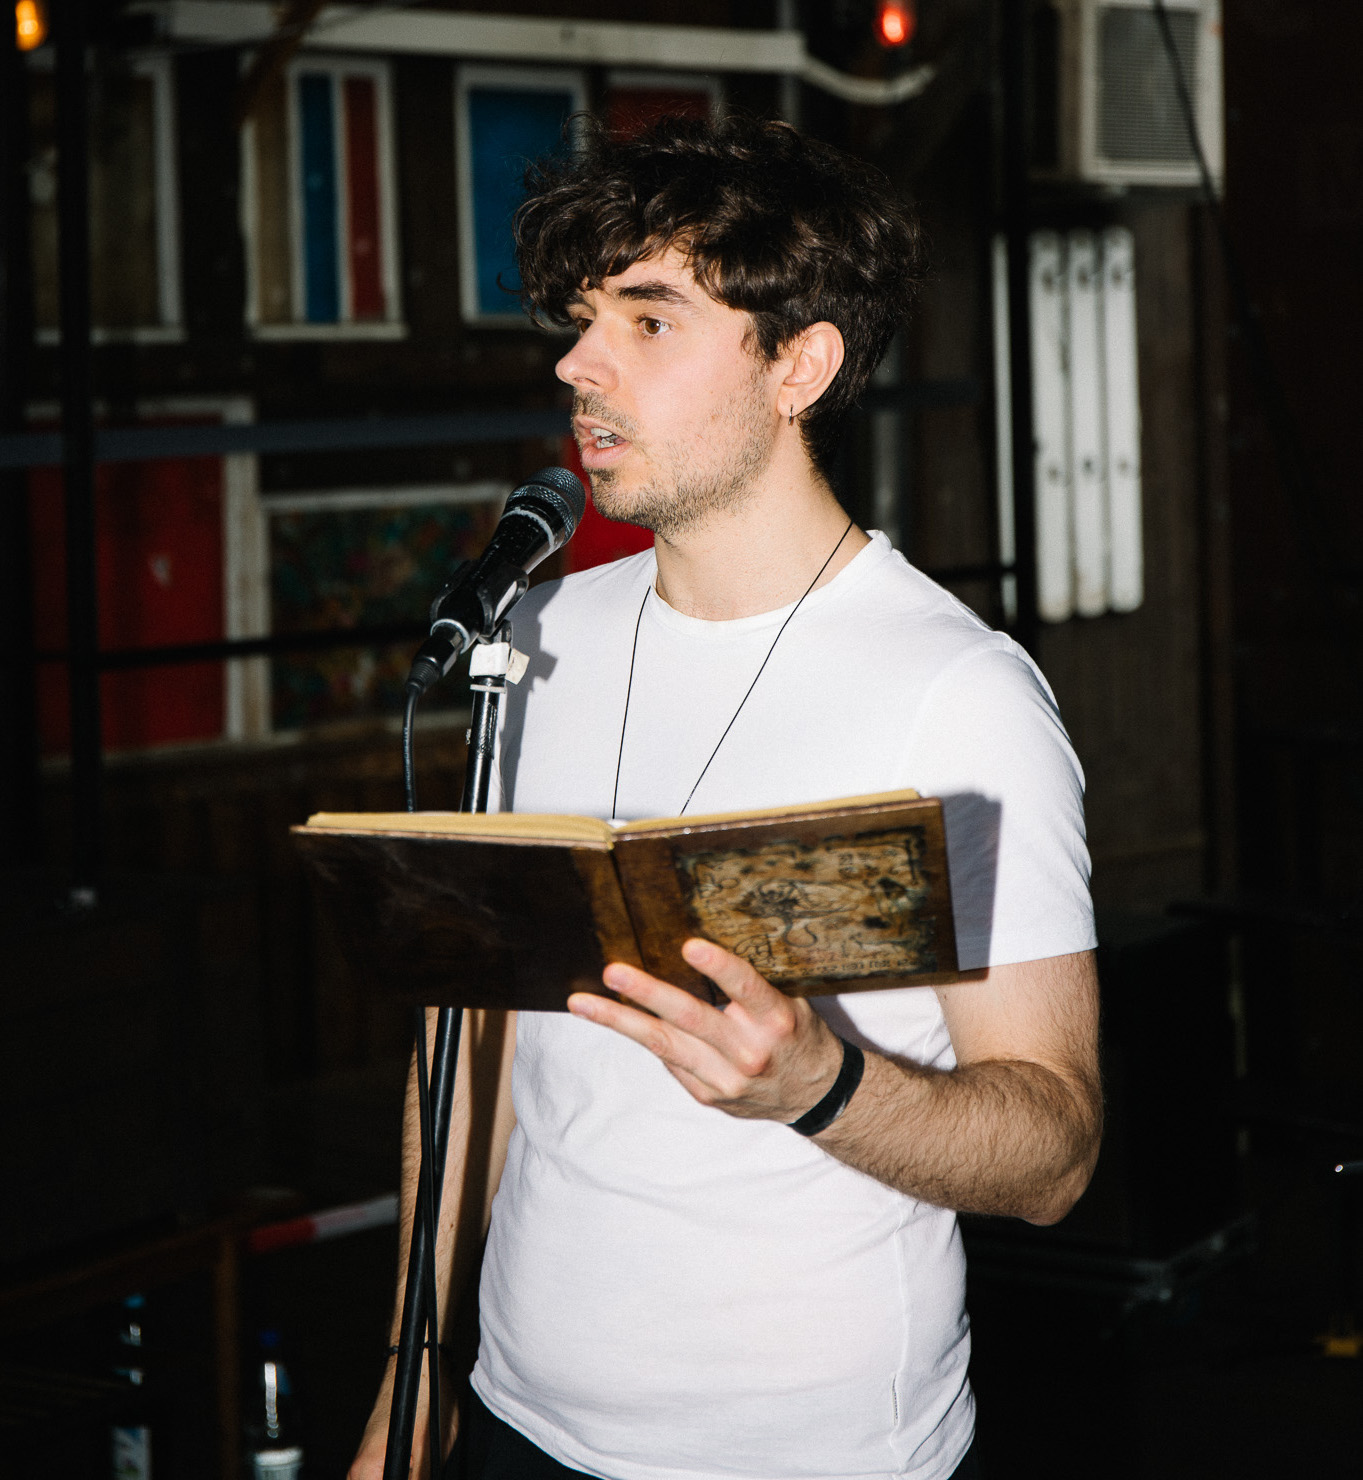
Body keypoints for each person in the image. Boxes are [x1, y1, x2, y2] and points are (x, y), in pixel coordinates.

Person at [351, 115, 1101, 1480]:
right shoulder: (544, 641)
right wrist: (411, 1383)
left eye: (648, 322)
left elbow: (1053, 1152)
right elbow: (471, 1065)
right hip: (515, 1426)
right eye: (582, 321)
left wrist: (823, 1087)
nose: (578, 364)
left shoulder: (957, 695)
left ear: (798, 366)